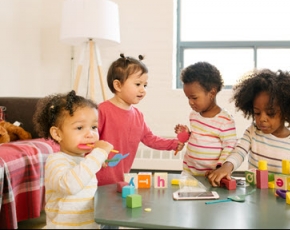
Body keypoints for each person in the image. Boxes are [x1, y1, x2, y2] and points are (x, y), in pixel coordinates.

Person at [206, 68, 290, 187]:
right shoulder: (253, 132)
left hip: (282, 195)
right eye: (257, 113)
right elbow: (239, 152)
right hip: (255, 195)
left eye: (270, 113)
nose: (262, 119)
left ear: (286, 112)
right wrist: (226, 167)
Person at [96, 53, 184, 186]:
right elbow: (89, 140)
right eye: (138, 84)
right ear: (118, 85)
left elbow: (150, 138)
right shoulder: (101, 111)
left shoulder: (137, 115)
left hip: (121, 179)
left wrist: (173, 144)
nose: (143, 90)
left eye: (145, 85)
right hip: (96, 179)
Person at [32, 90, 114, 229]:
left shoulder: (84, 162)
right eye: (80, 127)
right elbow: (70, 185)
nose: (90, 134)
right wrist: (97, 155)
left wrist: (97, 160)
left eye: (94, 127)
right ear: (57, 134)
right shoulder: (56, 161)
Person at [174, 61, 238, 176]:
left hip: (212, 176)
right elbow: (199, 135)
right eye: (188, 98)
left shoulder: (225, 120)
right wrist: (187, 134)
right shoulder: (194, 115)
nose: (190, 102)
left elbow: (230, 146)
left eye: (194, 97)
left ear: (212, 93)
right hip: (190, 173)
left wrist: (220, 168)